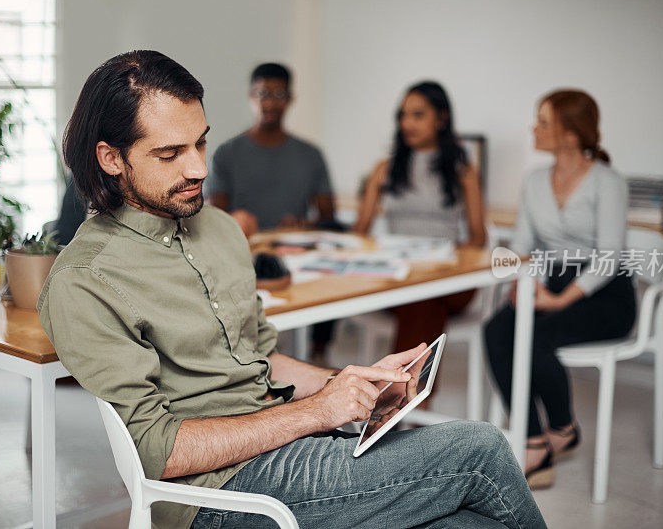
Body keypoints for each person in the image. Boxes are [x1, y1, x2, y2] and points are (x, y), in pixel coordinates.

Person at [39, 50, 547, 529]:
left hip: (286, 440)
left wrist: (352, 382)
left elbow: (261, 358)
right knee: (480, 449)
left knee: (472, 523)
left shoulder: (218, 229)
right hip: (216, 494)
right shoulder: (84, 280)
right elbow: (158, 452)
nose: (198, 168)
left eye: (200, 143)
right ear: (110, 158)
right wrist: (318, 411)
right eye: (170, 153)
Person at [483, 89, 636, 489]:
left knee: (536, 335)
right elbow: (521, 245)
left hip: (604, 294)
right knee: (496, 330)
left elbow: (610, 257)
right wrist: (523, 281)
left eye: (544, 122)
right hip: (548, 282)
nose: (534, 128)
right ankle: (535, 438)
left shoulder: (608, 183)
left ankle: (562, 430)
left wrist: (559, 299)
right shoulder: (534, 181)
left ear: (570, 134)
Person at [206, 62, 337, 362]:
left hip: (298, 256)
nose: (269, 102)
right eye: (263, 93)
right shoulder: (226, 154)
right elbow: (215, 220)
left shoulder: (310, 155)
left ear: (290, 99)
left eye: (278, 94)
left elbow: (329, 219)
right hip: (245, 255)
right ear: (251, 96)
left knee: (327, 279)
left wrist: (305, 224)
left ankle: (318, 354)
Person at [354, 81, 487, 354]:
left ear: (441, 118)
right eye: (403, 115)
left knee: (426, 291)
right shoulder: (384, 168)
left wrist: (449, 256)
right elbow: (360, 232)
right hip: (398, 277)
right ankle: (416, 395)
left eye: (418, 115)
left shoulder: (463, 170)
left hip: (449, 278)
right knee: (422, 295)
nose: (407, 123)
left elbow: (478, 236)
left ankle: (404, 390)